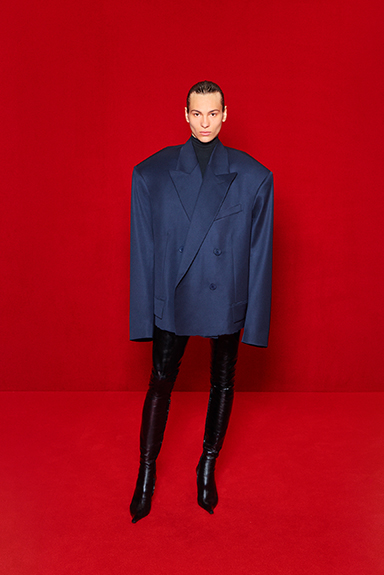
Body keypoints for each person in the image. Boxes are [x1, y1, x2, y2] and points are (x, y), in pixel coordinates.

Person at [129, 81, 273, 523]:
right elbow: (143, 250)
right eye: (197, 114)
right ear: (185, 114)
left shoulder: (254, 176)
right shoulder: (152, 173)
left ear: (225, 114)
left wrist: (256, 322)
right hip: (173, 296)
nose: (205, 122)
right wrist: (143, 316)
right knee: (160, 381)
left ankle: (207, 464)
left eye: (213, 113)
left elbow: (260, 254)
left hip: (223, 295)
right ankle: (146, 470)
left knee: (223, 383)